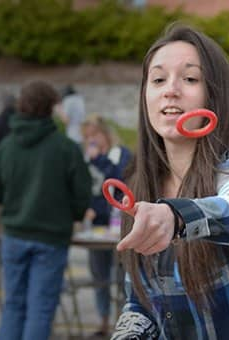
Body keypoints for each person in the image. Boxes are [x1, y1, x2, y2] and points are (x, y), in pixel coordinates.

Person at [110, 25, 229, 339]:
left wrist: (175, 217)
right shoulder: (141, 187)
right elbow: (141, 304)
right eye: (158, 79)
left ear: (213, 96)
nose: (170, 90)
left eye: (190, 79)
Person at [0, 80, 92, 340]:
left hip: (14, 234)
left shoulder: (7, 146)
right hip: (51, 237)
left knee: (13, 305)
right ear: (52, 107)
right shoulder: (66, 148)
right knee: (40, 310)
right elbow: (82, 193)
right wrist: (74, 216)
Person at [80, 114, 132, 338]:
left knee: (122, 278)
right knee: (99, 276)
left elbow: (117, 181)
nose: (92, 140)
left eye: (95, 135)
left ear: (105, 134)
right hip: (96, 227)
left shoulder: (119, 154)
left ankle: (124, 321)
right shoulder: (88, 158)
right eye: (88, 137)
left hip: (118, 224)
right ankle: (103, 321)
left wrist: (98, 160)